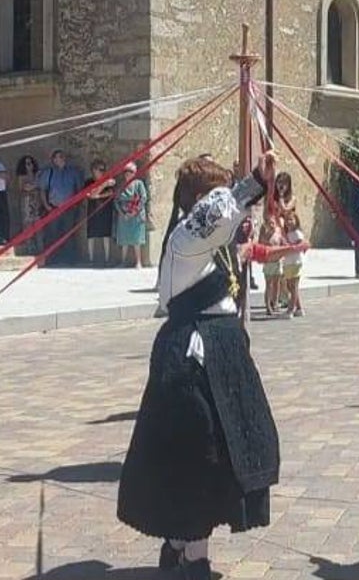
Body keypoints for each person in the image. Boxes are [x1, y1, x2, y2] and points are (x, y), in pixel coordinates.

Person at [117, 154, 282, 580]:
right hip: (192, 358)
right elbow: (214, 215)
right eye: (217, 189)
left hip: (222, 353)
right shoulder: (185, 237)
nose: (224, 198)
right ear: (197, 199)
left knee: (225, 453)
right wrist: (251, 184)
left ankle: (180, 544)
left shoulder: (209, 244)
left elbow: (223, 231)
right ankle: (192, 554)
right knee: (197, 454)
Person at [38, 149, 84, 265]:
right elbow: (42, 190)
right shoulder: (49, 172)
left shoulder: (73, 172)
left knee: (68, 234)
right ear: (54, 160)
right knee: (53, 234)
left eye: (63, 156)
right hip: (53, 208)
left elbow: (79, 190)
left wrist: (76, 205)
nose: (61, 158)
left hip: (69, 209)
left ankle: (68, 260)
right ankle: (53, 260)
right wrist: (46, 206)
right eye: (58, 157)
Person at [115, 162, 149, 268]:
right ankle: (123, 261)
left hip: (136, 216)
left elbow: (143, 198)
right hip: (124, 216)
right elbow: (116, 200)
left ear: (135, 173)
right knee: (124, 239)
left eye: (130, 171)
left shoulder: (139, 184)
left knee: (136, 239)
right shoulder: (121, 185)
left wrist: (135, 211)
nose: (127, 174)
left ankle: (138, 262)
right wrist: (122, 213)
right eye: (126, 171)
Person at [84, 159, 115, 265]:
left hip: (105, 210)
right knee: (91, 235)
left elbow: (111, 192)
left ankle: (107, 259)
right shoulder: (89, 182)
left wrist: (100, 195)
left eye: (104, 169)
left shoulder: (108, 181)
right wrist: (103, 184)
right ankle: (90, 259)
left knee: (106, 235)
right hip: (93, 211)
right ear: (93, 170)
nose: (102, 171)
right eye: (100, 169)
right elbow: (91, 195)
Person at [15, 155, 45, 256]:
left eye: (31, 163)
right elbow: (23, 188)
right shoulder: (22, 177)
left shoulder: (37, 175)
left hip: (37, 202)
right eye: (27, 164)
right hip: (27, 202)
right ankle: (30, 250)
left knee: (39, 226)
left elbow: (41, 187)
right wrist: (35, 184)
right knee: (28, 226)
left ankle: (40, 250)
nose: (29, 166)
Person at [281, 209, 308, 317]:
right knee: (290, 286)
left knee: (294, 286)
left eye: (291, 220)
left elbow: (300, 246)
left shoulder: (297, 234)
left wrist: (290, 246)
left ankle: (290, 310)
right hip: (288, 262)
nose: (289, 222)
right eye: (287, 220)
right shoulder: (287, 234)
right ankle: (299, 308)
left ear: (296, 221)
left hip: (296, 262)